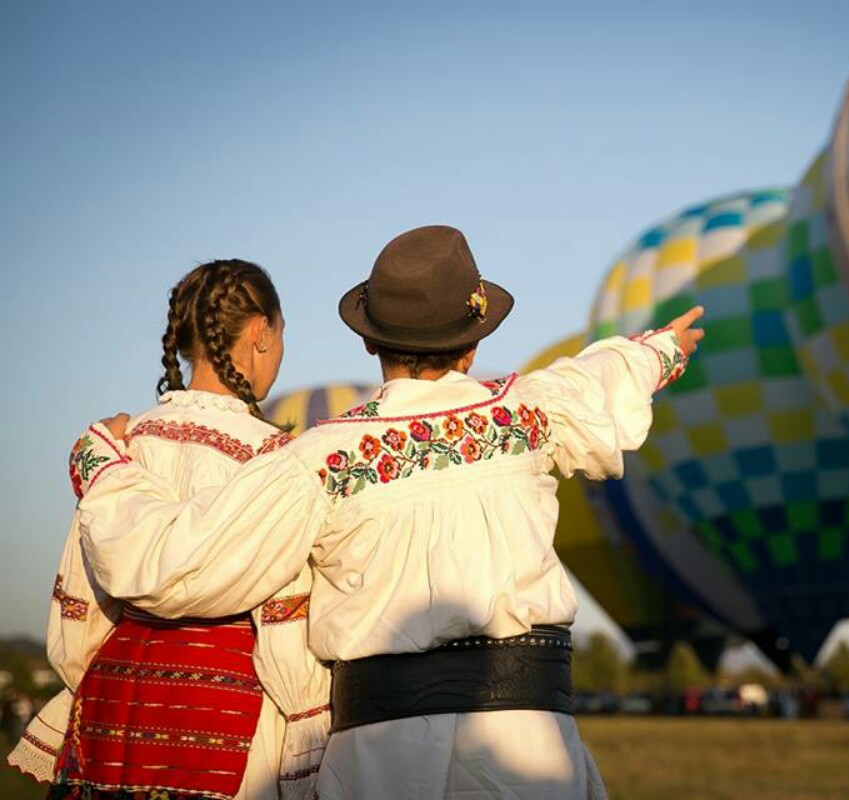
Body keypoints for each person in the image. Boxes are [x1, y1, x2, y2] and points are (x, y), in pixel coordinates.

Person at [69, 225, 703, 799]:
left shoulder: (320, 458)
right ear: (473, 344)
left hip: (381, 755)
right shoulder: (529, 414)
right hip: (529, 745)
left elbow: (173, 563)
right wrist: (661, 350)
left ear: (371, 340)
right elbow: (599, 378)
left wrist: (105, 465)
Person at [6, 260, 330, 800]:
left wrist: (88, 678)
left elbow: (83, 605)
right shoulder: (274, 462)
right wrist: (308, 716)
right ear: (260, 334)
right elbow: (284, 620)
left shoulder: (118, 447)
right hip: (225, 701)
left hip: (116, 701)